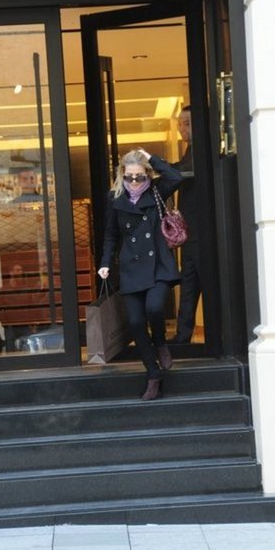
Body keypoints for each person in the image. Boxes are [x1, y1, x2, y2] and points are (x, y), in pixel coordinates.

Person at [98, 148, 183, 401]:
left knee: (154, 308)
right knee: (135, 323)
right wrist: (106, 263)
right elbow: (111, 234)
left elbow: (176, 177)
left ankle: (160, 342)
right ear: (122, 174)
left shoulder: (156, 190)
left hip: (158, 266)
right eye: (129, 177)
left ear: (147, 173)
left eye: (140, 176)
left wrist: (151, 158)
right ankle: (153, 374)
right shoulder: (115, 197)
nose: (134, 182)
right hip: (131, 268)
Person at [169, 105, 202, 344]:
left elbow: (183, 172)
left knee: (196, 284)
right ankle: (182, 338)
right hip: (190, 233)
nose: (182, 128)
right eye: (180, 123)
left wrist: (157, 165)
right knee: (188, 285)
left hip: (202, 233)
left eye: (187, 123)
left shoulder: (201, 149)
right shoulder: (190, 149)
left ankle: (217, 338)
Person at [0, 264, 36, 352]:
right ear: (11, 272)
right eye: (17, 270)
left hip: (25, 326)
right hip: (11, 328)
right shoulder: (3, 290)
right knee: (11, 353)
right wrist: (6, 324)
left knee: (28, 351)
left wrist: (31, 324)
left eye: (21, 270)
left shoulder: (26, 289)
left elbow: (32, 307)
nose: (20, 272)